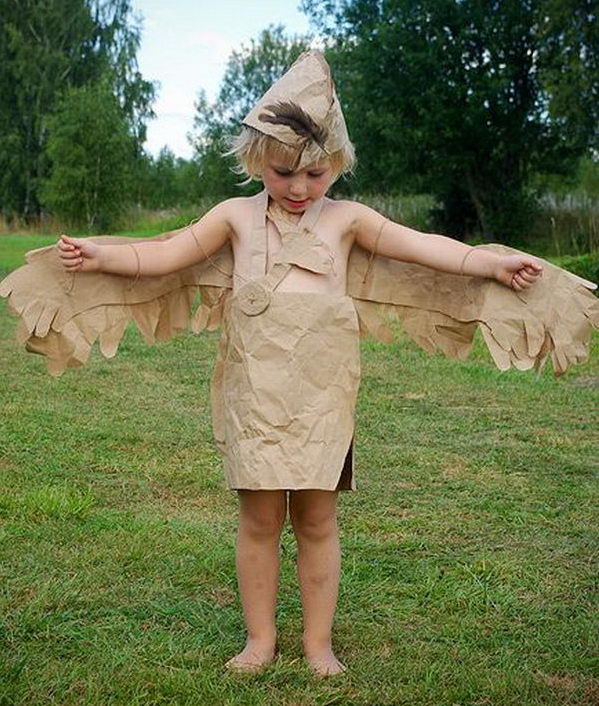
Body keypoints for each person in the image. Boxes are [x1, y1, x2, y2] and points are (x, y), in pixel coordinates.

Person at [50, 51, 545, 676]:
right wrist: (100, 256)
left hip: (321, 398)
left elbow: (424, 249)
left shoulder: (347, 221)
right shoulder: (233, 217)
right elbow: (166, 254)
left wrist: (488, 263)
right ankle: (260, 641)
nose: (299, 188)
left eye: (315, 173)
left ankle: (318, 644)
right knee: (259, 519)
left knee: (317, 518)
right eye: (284, 172)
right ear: (259, 160)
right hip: (256, 395)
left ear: (336, 163)